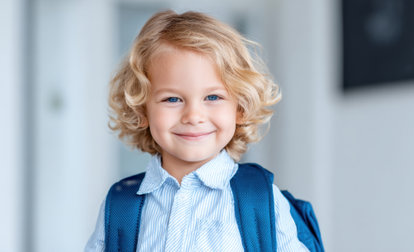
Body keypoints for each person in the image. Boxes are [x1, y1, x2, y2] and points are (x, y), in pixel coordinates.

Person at [85, 10, 309, 251]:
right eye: (172, 99)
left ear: (240, 108)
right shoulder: (121, 207)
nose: (193, 116)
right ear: (141, 111)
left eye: (212, 96)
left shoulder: (260, 199)